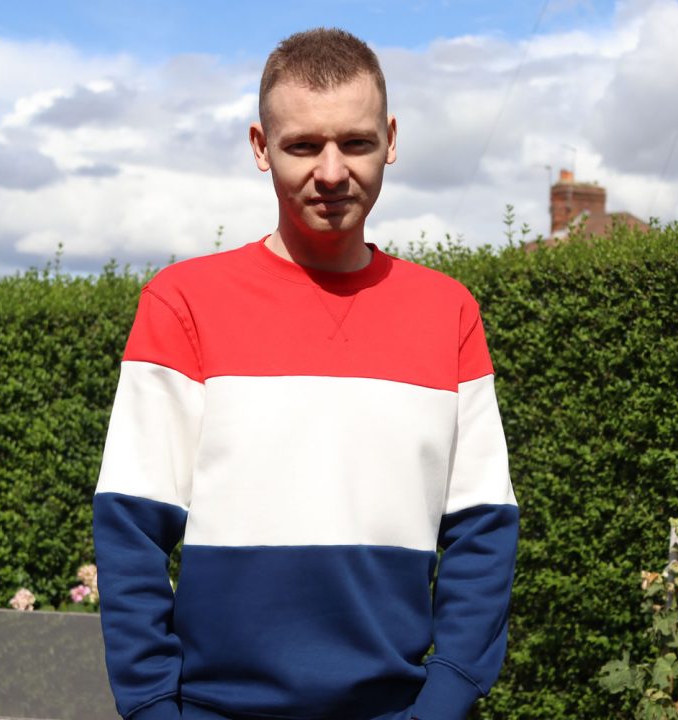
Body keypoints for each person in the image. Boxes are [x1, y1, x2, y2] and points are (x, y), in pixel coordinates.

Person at [93, 27, 519, 720]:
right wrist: (151, 707)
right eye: (302, 145)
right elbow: (131, 528)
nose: (330, 171)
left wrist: (442, 703)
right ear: (261, 147)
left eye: (354, 142)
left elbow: (484, 530)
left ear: (391, 139)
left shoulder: (448, 312)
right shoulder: (183, 304)